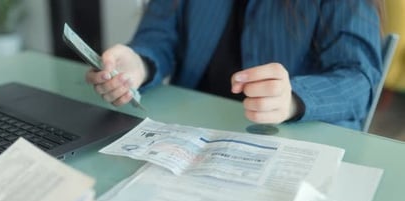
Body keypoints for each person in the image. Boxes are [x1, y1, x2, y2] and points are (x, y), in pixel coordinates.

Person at [86, 0, 383, 130]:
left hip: (290, 146)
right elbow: (160, 36)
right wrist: (139, 63)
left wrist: (292, 99)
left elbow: (359, 79)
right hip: (192, 136)